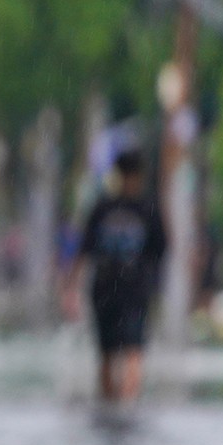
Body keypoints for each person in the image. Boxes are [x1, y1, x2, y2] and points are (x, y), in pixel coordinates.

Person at [64, 148, 166, 403]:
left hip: (115, 289)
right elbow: (162, 251)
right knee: (119, 352)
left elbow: (83, 251)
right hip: (123, 290)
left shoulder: (104, 208)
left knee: (122, 352)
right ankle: (122, 405)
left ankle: (116, 405)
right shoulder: (146, 208)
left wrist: (70, 285)